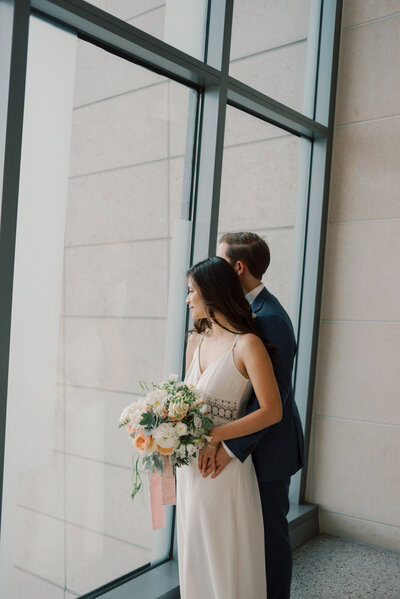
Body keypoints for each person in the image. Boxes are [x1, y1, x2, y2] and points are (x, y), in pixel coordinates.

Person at [176, 256, 282, 599]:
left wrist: (217, 437)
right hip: (191, 468)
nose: (188, 299)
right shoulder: (196, 340)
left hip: (223, 468)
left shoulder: (247, 345)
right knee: (194, 552)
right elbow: (184, 401)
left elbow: (272, 411)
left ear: (212, 293)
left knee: (223, 556)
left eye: (192, 291)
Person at [207, 231, 305, 599]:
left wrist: (229, 444)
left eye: (220, 261)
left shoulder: (271, 319)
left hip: (270, 449)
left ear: (238, 266)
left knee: (270, 538)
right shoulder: (248, 310)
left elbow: (272, 399)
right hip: (251, 444)